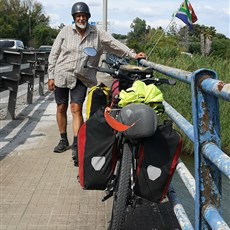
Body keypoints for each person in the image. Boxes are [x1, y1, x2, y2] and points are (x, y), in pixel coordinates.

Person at [48, 2, 146, 166]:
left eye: (84, 16)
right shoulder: (65, 31)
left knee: (76, 108)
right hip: (62, 74)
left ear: (88, 17)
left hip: (82, 76)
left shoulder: (97, 33)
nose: (81, 18)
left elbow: (114, 44)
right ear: (74, 18)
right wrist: (50, 75)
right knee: (60, 107)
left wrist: (133, 55)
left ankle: (76, 144)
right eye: (78, 16)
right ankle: (63, 139)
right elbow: (54, 53)